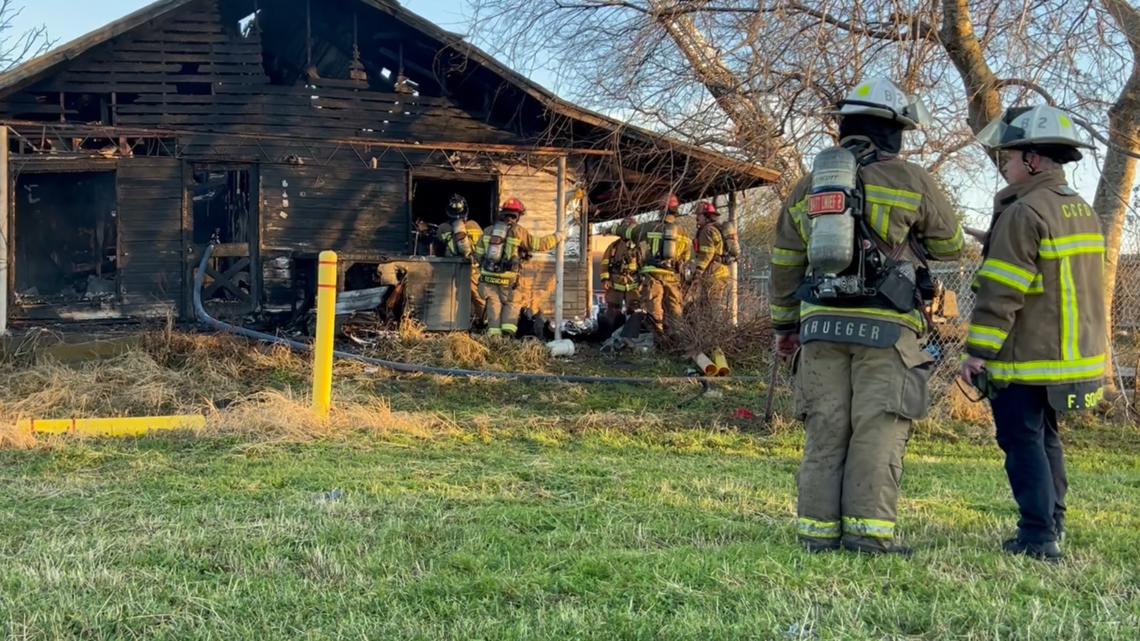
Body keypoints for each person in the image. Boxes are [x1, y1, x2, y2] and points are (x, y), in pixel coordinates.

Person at [769, 78, 965, 555]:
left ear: (845, 128)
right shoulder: (912, 179)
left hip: (818, 328)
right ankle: (867, 536)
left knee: (825, 429)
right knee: (877, 429)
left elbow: (784, 262)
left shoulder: (807, 185)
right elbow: (951, 245)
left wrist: (785, 328)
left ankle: (816, 536)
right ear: (894, 131)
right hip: (889, 331)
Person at [960, 105, 1104, 561]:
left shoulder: (1024, 212)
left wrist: (978, 351)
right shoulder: (1080, 210)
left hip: (1026, 355)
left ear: (1034, 160)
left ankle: (1038, 536)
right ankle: (1053, 524)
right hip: (1069, 356)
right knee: (1046, 439)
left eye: (1010, 156)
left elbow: (1001, 291)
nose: (1004, 164)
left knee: (1024, 443)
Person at [473, 197, 563, 337]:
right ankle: (508, 338)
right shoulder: (518, 231)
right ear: (518, 215)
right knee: (511, 305)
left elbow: (478, 255)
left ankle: (494, 340)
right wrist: (557, 237)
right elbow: (538, 244)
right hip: (509, 281)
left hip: (488, 279)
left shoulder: (488, 230)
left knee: (493, 306)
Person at [610, 194, 693, 342]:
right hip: (673, 278)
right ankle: (678, 341)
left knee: (655, 310)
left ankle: (659, 342)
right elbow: (686, 259)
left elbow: (626, 232)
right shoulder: (684, 233)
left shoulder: (647, 227)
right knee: (675, 311)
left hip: (653, 276)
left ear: (660, 210)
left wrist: (611, 228)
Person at [435, 194, 485, 328]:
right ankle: (485, 323)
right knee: (479, 297)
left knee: (451, 297)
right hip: (473, 268)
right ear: (466, 210)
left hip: (452, 270)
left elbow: (438, 252)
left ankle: (453, 324)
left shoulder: (442, 228)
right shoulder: (474, 225)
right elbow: (483, 246)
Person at [688, 201, 732, 315]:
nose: (696, 218)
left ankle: (714, 330)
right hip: (722, 270)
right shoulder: (715, 229)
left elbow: (707, 253)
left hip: (713, 272)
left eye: (699, 215)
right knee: (713, 304)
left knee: (710, 306)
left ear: (706, 216)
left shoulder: (706, 231)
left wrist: (698, 271)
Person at [599, 230, 642, 336]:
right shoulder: (613, 247)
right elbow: (605, 263)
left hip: (633, 285)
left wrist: (643, 281)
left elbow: (644, 263)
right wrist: (605, 279)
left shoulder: (640, 246)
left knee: (635, 310)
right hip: (615, 283)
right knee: (612, 310)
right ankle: (609, 335)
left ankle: (632, 335)